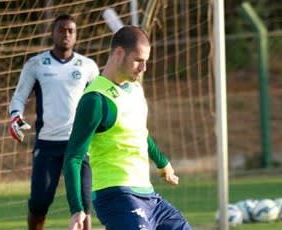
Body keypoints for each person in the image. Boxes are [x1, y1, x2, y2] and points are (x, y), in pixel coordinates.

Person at [63, 26, 192, 230]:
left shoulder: (135, 90)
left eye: (146, 61)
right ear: (119, 53)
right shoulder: (95, 100)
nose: (144, 68)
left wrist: (162, 162)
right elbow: (73, 157)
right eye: (139, 60)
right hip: (116, 195)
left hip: (149, 196)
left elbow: (140, 134)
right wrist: (77, 208)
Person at [8, 14, 99, 230]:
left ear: (76, 35)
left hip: (78, 145)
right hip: (47, 144)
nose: (66, 34)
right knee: (39, 204)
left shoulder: (88, 66)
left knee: (84, 207)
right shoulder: (36, 64)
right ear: (53, 33)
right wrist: (15, 116)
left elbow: (99, 100)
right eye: (61, 30)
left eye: (71, 31)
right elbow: (20, 96)